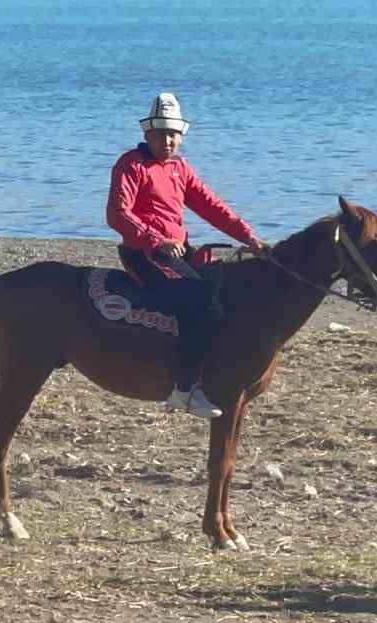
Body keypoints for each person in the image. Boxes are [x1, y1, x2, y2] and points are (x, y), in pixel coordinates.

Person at [106, 92, 267, 419]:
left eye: (174, 134)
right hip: (144, 253)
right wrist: (156, 240)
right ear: (147, 133)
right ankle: (184, 389)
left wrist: (248, 236)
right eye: (162, 133)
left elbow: (211, 206)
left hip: (177, 250)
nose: (169, 140)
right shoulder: (131, 165)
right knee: (202, 303)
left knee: (224, 285)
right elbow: (117, 214)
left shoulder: (180, 168)